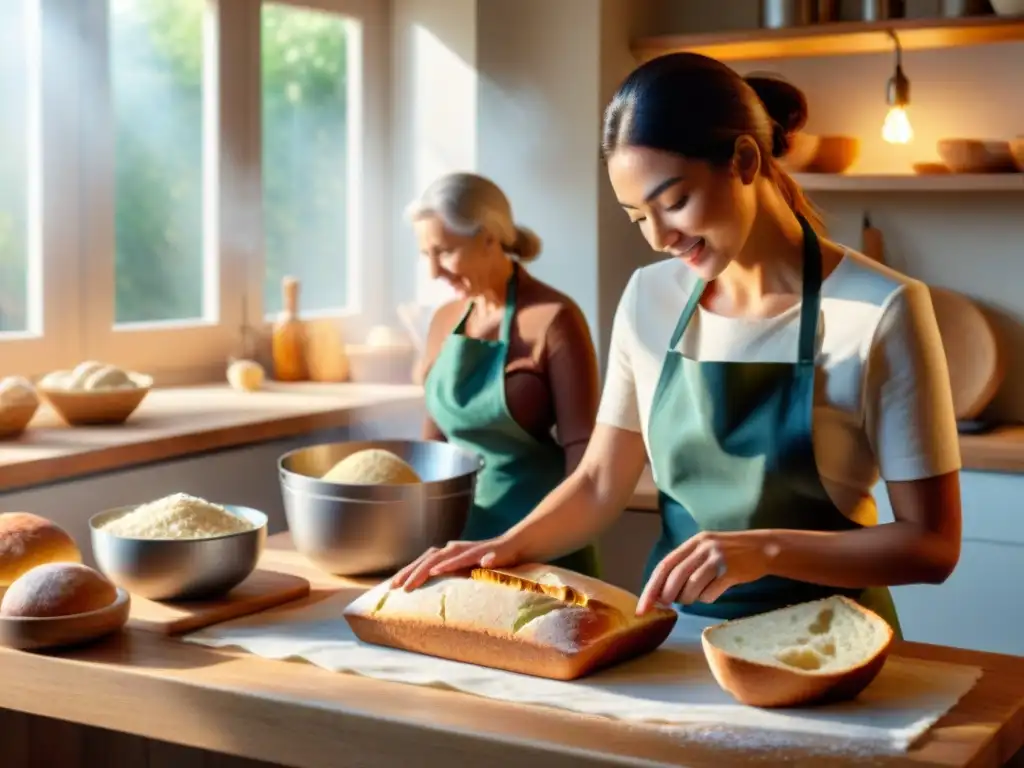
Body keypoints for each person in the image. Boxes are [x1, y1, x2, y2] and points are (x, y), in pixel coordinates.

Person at [394, 56, 963, 639]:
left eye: (673, 201)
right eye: (638, 216)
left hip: (834, 645)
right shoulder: (649, 297)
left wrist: (764, 550)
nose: (660, 238)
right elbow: (597, 482)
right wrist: (500, 549)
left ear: (744, 160)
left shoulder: (881, 308)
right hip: (680, 639)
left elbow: (932, 545)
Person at [409, 172, 603, 577]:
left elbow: (585, 462)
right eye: (424, 253)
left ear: (490, 238)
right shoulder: (444, 321)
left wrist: (545, 540)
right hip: (458, 542)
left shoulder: (555, 319)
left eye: (444, 252)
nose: (432, 272)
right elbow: (432, 451)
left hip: (542, 545)